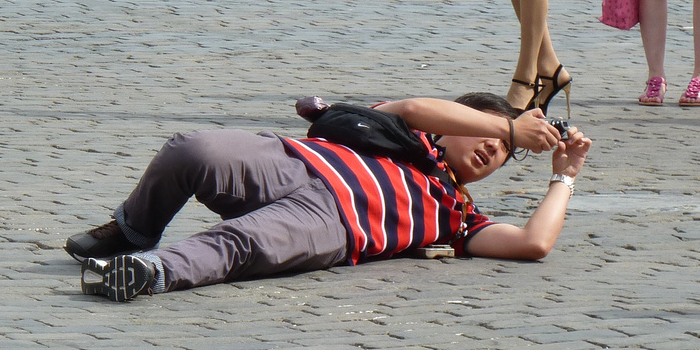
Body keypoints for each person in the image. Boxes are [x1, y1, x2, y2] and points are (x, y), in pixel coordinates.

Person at [65, 96, 592, 302]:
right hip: (295, 161)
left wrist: (563, 177)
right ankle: (134, 230)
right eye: (484, 135)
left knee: (241, 244)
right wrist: (509, 125)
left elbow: (532, 242)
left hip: (334, 221)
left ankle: (149, 271)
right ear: (456, 124)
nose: (491, 149)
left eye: (503, 152)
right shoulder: (406, 132)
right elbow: (409, 107)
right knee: (191, 150)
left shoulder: (459, 217)